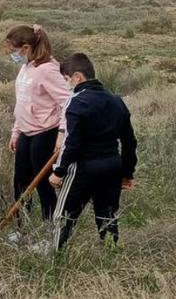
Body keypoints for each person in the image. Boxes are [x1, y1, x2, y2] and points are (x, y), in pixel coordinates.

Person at [49, 53, 138, 251]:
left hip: (83, 168)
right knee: (107, 215)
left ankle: (54, 256)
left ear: (77, 77)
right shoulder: (117, 101)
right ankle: (110, 254)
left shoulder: (76, 102)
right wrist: (127, 172)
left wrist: (59, 171)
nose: (66, 84)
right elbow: (129, 141)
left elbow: (72, 142)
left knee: (63, 216)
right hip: (112, 166)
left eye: (66, 79)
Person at [7, 24, 70, 230]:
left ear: (26, 48)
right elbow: (22, 102)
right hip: (26, 131)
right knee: (20, 182)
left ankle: (49, 228)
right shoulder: (27, 67)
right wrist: (16, 132)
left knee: (42, 183)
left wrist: (61, 133)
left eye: (14, 51)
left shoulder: (49, 70)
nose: (13, 55)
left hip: (45, 132)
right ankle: (21, 229)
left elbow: (68, 103)